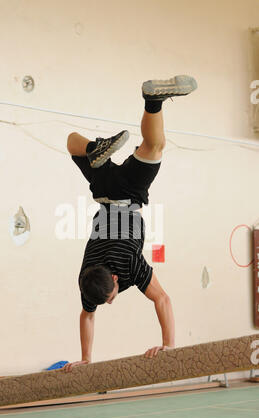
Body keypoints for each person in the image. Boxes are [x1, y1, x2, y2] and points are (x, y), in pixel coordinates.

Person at [64, 75, 197, 372]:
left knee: (156, 146)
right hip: (103, 192)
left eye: (111, 297)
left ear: (114, 281)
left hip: (130, 196)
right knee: (72, 143)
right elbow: (87, 314)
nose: (111, 302)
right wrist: (86, 359)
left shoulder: (129, 267)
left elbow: (162, 299)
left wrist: (169, 347)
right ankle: (94, 149)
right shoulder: (87, 279)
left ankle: (153, 101)